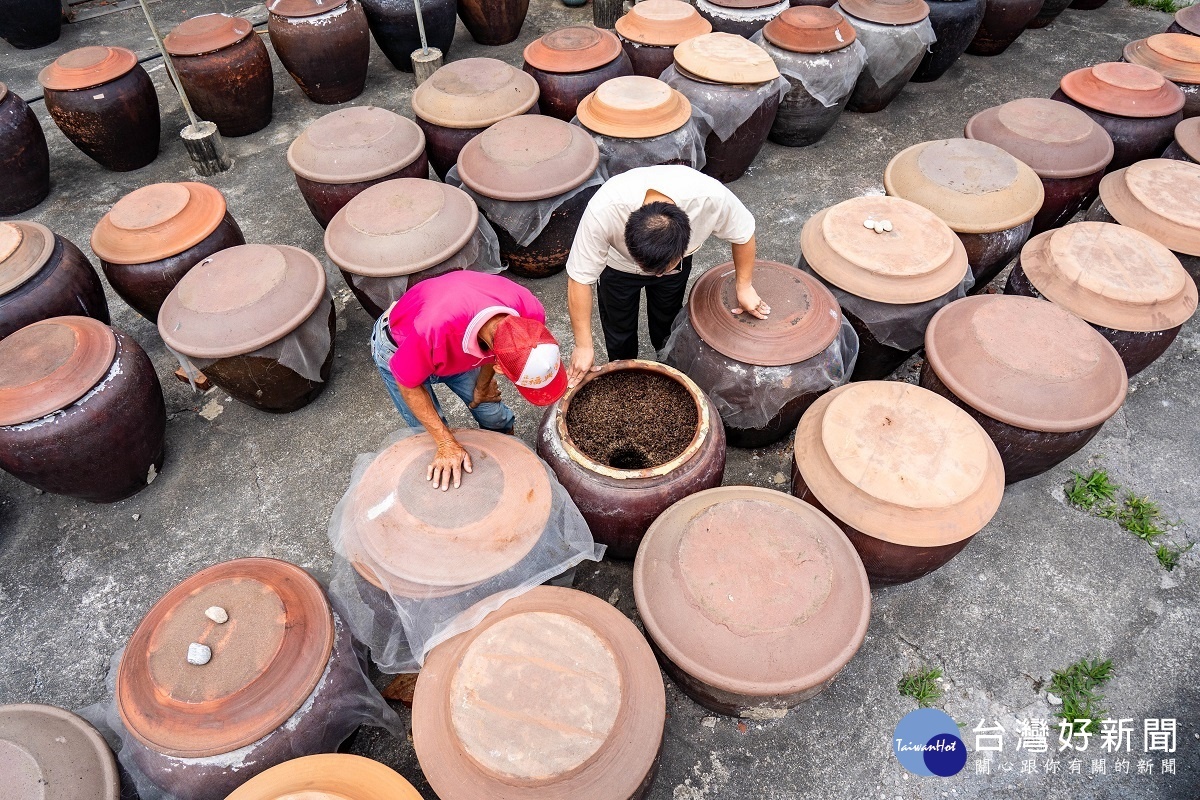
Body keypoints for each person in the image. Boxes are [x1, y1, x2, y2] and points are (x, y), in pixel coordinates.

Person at [564, 164, 771, 386]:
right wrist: (583, 345)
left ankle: (668, 365)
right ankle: (624, 376)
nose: (656, 275)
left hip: (676, 270)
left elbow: (743, 233)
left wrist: (744, 285)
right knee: (618, 326)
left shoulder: (711, 198)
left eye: (661, 269)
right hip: (618, 269)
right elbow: (579, 278)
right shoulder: (604, 209)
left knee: (667, 318)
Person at [370, 271, 567, 490]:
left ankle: (507, 458)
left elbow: (499, 350)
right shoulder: (432, 329)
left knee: (493, 414)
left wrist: (483, 386)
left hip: (457, 346)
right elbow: (408, 385)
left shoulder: (530, 310)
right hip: (402, 344)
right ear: (500, 368)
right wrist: (445, 443)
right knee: (427, 435)